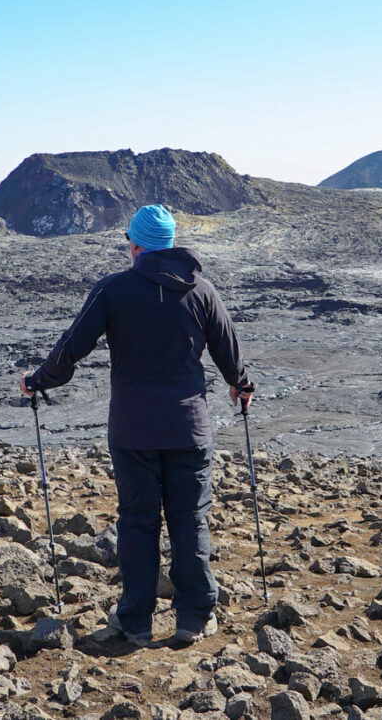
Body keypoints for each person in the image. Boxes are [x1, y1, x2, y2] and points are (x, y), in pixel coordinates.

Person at [20, 204, 252, 644]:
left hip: (133, 430)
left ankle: (136, 622)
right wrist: (241, 385)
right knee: (190, 520)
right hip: (189, 428)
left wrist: (37, 381)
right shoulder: (202, 291)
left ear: (137, 245)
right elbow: (228, 349)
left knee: (138, 521)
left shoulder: (113, 290)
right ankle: (193, 619)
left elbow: (71, 349)